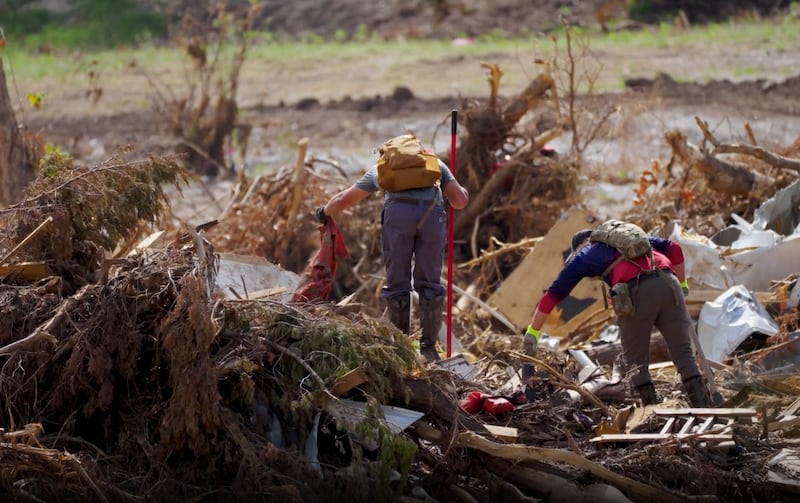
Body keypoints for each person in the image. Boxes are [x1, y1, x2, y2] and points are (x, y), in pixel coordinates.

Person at [523, 221, 713, 407]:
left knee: (636, 364)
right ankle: (707, 410)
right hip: (669, 283)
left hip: (637, 291)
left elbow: (554, 293)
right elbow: (675, 249)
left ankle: (650, 415)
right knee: (684, 356)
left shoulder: (586, 254)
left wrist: (533, 331)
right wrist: (682, 285)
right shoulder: (635, 239)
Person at [315, 136, 469, 362]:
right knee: (430, 283)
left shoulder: (382, 170)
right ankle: (428, 349)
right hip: (431, 219)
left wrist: (323, 212)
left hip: (398, 219)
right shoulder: (435, 164)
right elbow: (460, 202)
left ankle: (401, 349)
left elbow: (343, 199)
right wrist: (461, 189)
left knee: (397, 282)